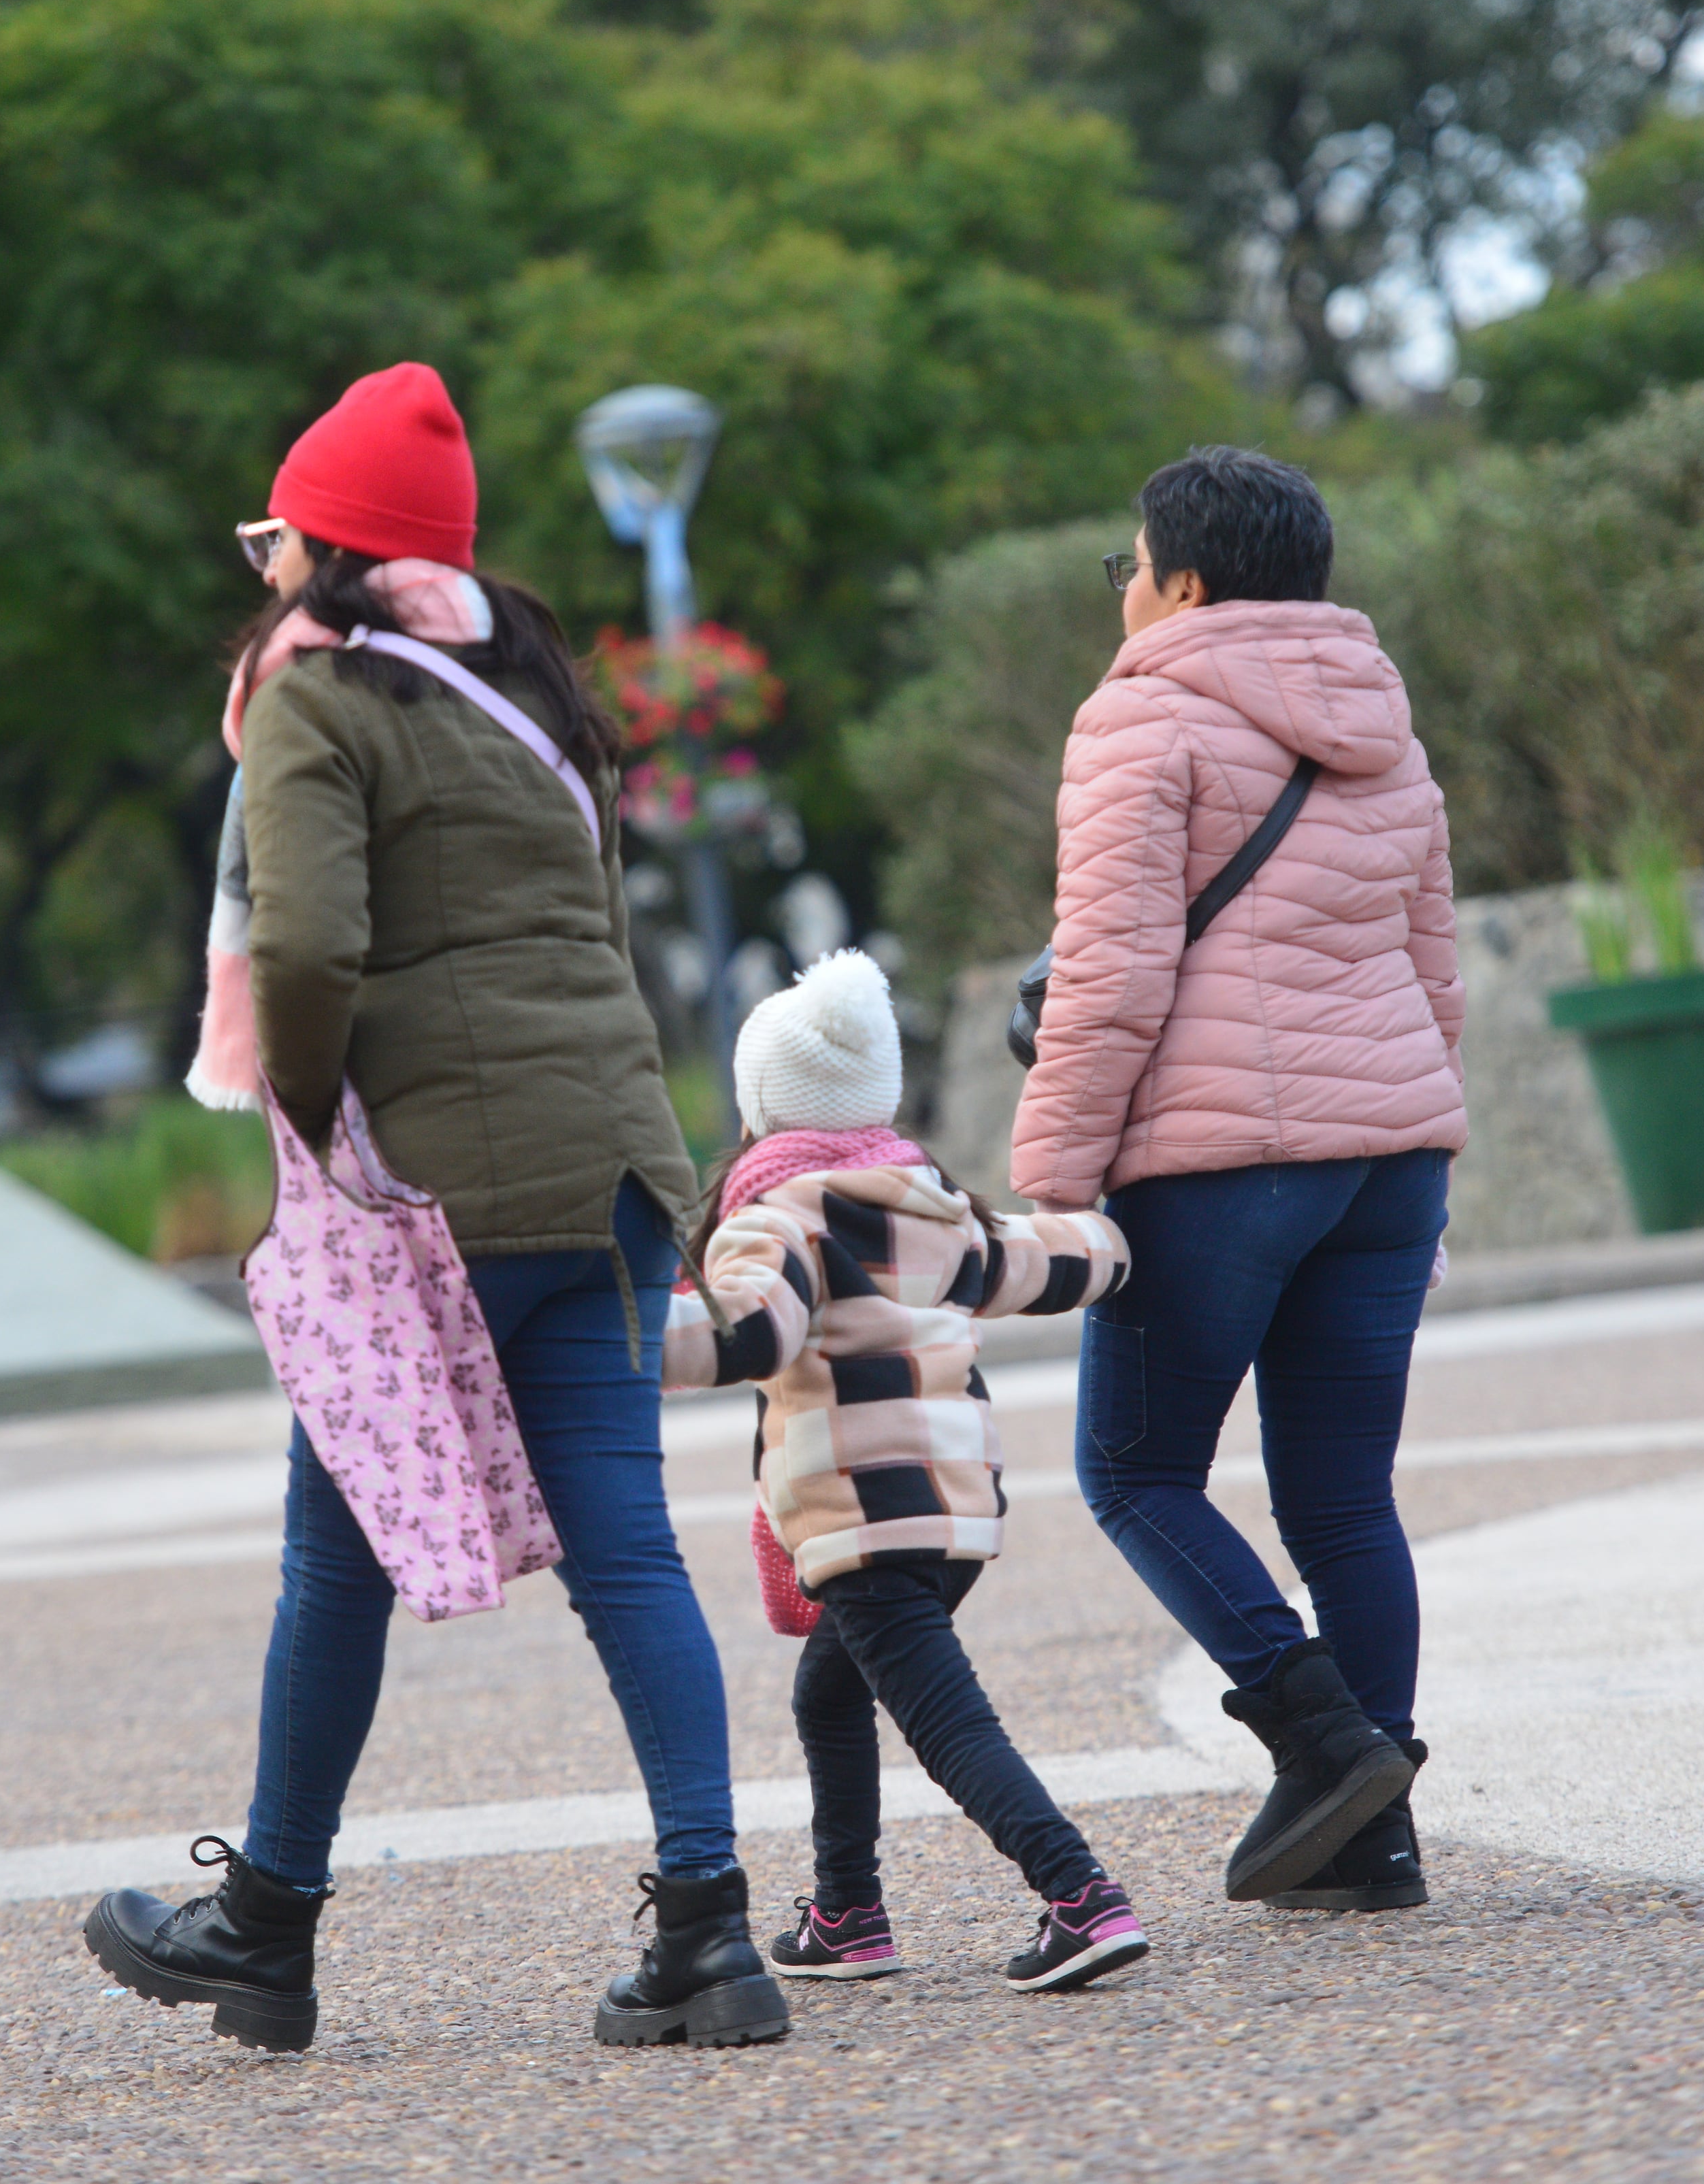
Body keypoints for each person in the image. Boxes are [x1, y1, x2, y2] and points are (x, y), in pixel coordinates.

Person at [83, 363, 788, 2053]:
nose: (262, 564)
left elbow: (306, 944)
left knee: (331, 1562)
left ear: (321, 543)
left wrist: (320, 1122)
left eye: (274, 533)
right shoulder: (523, 686)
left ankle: (267, 1924)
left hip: (438, 1187)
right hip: (612, 1160)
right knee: (624, 1541)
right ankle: (709, 1927)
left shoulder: (316, 692)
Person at [1014, 446, 1468, 1915]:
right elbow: (1430, 972)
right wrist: (1423, 1164)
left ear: (1186, 583)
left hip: (1217, 1170)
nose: (1124, 593)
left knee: (1134, 1470)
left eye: (1130, 567)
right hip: (1389, 1160)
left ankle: (1319, 1738)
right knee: (1343, 1500)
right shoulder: (1383, 726)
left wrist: (1056, 1183)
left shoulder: (1139, 722)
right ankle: (1372, 1840)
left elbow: (1111, 977)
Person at [664, 950, 1149, 1993]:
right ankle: (848, 1914)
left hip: (864, 1515)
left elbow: (749, 1331)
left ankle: (1082, 1896)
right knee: (830, 1695)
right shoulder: (929, 1207)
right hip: (957, 1513)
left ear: (763, 1106)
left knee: (947, 1723)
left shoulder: (778, 1217)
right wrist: (1125, 1229)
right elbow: (1051, 1261)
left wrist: (608, 1341)